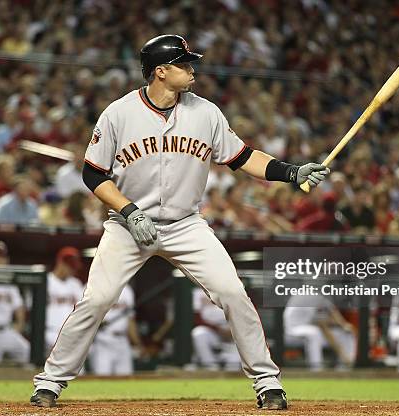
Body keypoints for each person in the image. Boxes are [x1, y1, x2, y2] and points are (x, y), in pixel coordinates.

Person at [31, 34, 330, 410]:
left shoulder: (205, 112)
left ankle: (267, 382)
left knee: (233, 293)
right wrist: (128, 210)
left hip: (186, 224)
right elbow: (93, 175)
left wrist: (291, 172)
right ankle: (51, 382)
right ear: (160, 71)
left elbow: (241, 157)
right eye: (184, 64)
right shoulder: (119, 113)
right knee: (98, 299)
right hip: (128, 225)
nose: (192, 70)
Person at [284, 294, 356, 371]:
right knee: (314, 333)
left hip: (309, 329)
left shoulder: (321, 297)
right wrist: (342, 354)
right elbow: (323, 326)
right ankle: (316, 370)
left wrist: (343, 324)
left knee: (346, 334)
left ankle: (344, 369)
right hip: (292, 331)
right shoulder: (307, 297)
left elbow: (332, 310)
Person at [89, 284, 143, 375]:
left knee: (126, 380)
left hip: (123, 341)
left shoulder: (127, 290)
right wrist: (97, 322)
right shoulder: (96, 286)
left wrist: (137, 343)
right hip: (104, 340)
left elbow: (130, 320)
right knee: (102, 379)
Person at [44, 247, 85, 354]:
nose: (72, 270)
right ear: (60, 263)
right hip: (51, 333)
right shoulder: (46, 281)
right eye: (70, 266)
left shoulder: (76, 284)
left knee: (79, 370)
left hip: (72, 337)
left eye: (74, 267)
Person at [191, 287, 240, 371]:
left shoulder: (234, 289)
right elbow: (197, 319)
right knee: (199, 333)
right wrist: (218, 329)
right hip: (212, 332)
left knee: (234, 366)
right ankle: (210, 365)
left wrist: (233, 330)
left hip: (233, 334)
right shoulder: (198, 292)